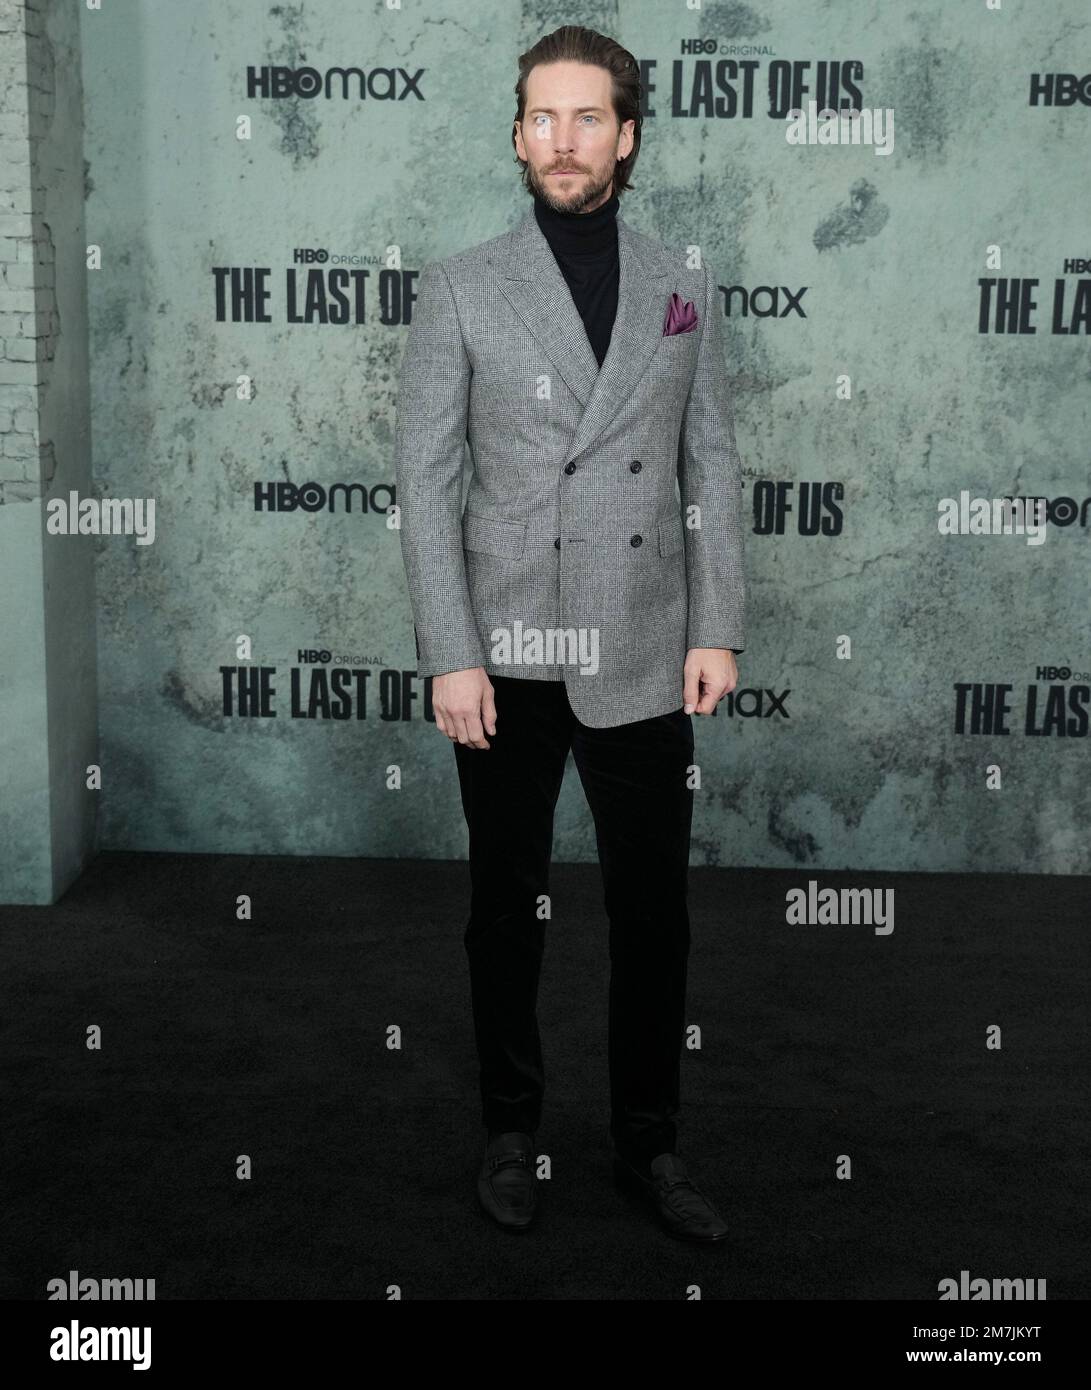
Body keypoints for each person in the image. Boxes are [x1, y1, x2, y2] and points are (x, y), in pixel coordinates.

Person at [394, 25, 746, 1242]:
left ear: (627, 135)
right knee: (506, 904)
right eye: (541, 117)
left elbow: (710, 463)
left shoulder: (680, 280)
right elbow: (425, 478)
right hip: (504, 650)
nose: (562, 139)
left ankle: (647, 1146)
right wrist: (449, 648)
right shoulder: (460, 285)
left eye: (586, 117)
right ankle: (509, 1130)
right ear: (515, 134)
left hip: (644, 640)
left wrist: (720, 626)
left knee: (654, 914)